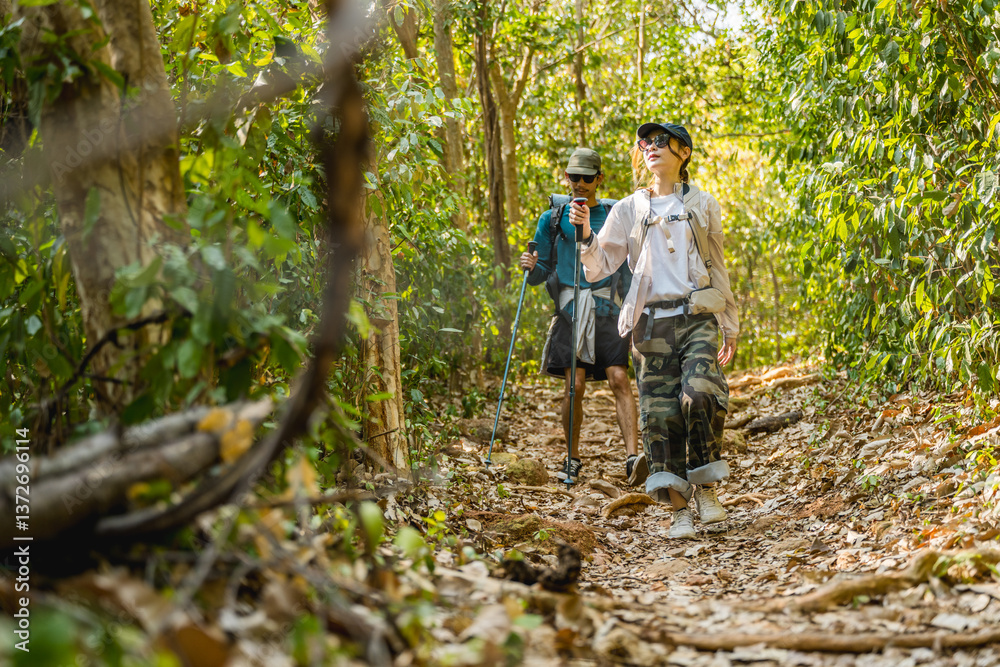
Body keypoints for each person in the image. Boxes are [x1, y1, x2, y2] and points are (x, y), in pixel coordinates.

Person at [570, 123, 739, 538]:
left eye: (663, 141)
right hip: (649, 325)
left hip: (696, 317)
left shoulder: (702, 203)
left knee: (702, 394)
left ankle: (706, 488)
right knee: (660, 416)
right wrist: (586, 233)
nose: (652, 147)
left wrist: (730, 324)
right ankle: (679, 510)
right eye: (646, 142)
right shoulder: (629, 208)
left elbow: (717, 265)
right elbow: (599, 266)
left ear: (684, 152)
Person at [519, 148, 640, 484]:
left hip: (607, 309)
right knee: (575, 385)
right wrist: (531, 267)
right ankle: (571, 458)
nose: (581, 183)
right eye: (575, 176)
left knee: (619, 378)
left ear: (599, 179)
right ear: (567, 177)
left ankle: (633, 458)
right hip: (570, 311)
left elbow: (626, 269)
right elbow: (541, 271)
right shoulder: (551, 219)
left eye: (588, 177)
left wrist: (634, 309)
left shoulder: (614, 216)